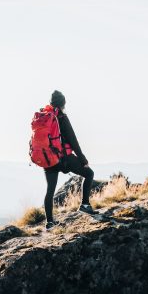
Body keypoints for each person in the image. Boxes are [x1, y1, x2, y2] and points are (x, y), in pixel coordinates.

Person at [43, 90, 95, 230]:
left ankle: (49, 223)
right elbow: (73, 140)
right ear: (63, 103)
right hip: (64, 158)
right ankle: (84, 205)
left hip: (49, 159)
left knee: (50, 190)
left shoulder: (45, 117)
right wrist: (82, 159)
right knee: (89, 174)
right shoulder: (62, 118)